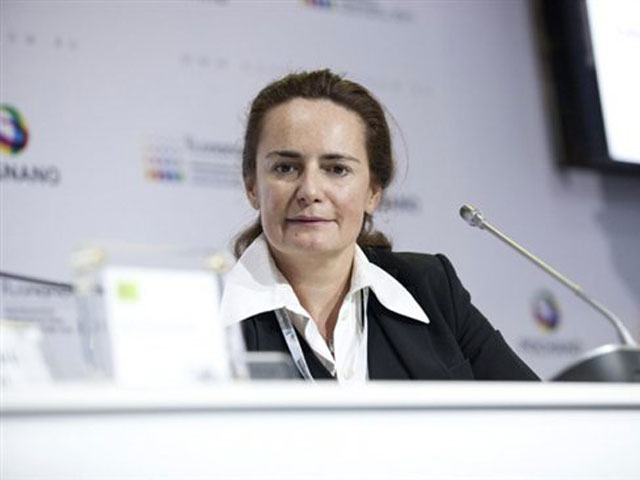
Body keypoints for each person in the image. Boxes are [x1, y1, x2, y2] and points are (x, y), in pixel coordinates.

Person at [220, 69, 538, 383]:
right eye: (285, 168)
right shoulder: (210, 319)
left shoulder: (430, 288)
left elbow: (535, 408)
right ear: (252, 186)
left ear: (373, 192)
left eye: (337, 169)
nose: (310, 191)